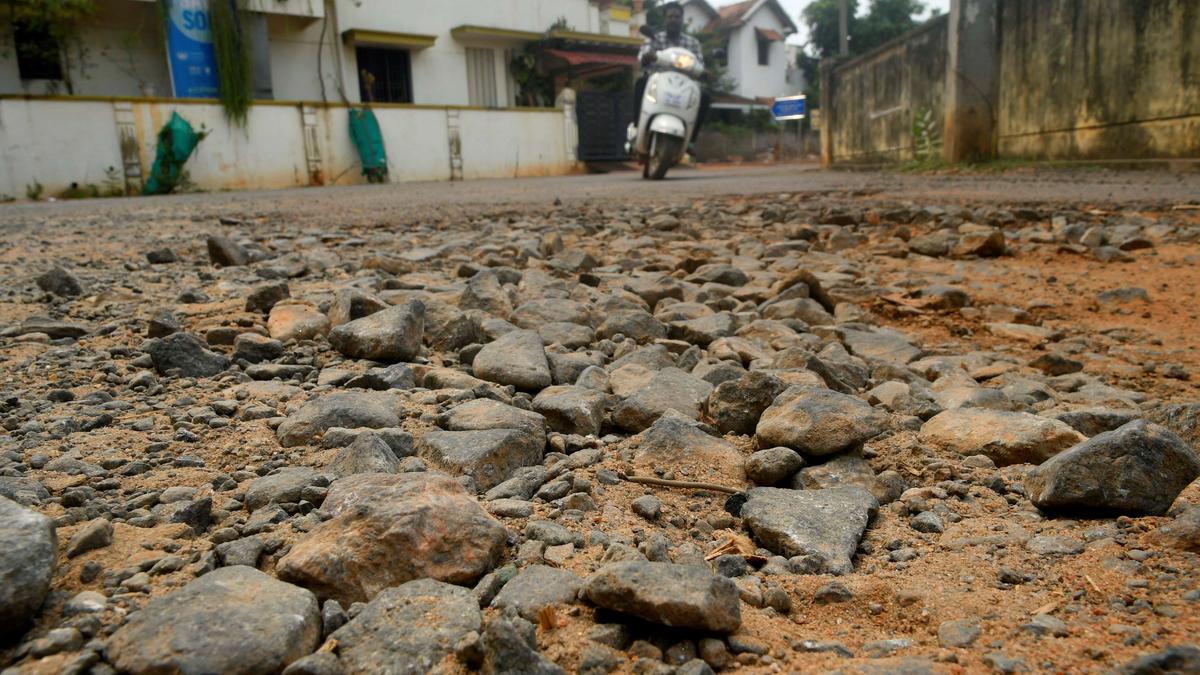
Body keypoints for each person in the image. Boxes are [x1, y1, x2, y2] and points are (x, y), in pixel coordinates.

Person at [635, 1, 712, 147]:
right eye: (670, 17)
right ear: (665, 19)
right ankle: (637, 125)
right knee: (641, 83)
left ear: (682, 19)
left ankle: (691, 141)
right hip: (658, 83)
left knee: (706, 96)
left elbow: (700, 64)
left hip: (684, 86)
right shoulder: (655, 38)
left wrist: (705, 72)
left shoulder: (693, 43)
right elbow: (643, 55)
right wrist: (647, 56)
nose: (673, 20)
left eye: (677, 17)